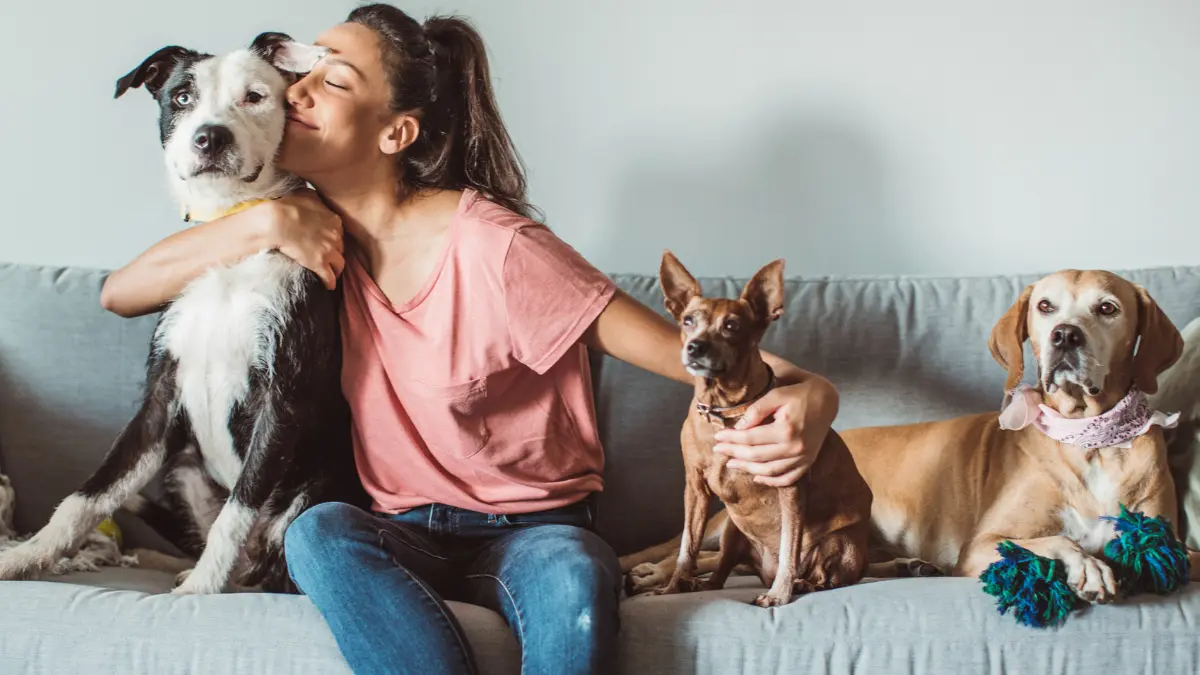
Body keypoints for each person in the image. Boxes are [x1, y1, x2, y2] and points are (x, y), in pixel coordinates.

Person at [99, 5, 840, 674]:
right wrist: (261, 222)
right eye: (303, 71)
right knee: (317, 533)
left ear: (396, 132)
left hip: (534, 529)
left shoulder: (498, 247)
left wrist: (816, 392)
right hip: (398, 529)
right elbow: (120, 292)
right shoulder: (301, 232)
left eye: (333, 79)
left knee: (578, 577)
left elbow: (698, 357)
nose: (298, 90)